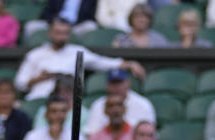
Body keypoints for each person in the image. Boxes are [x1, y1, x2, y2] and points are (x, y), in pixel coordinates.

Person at [16, 18, 144, 101]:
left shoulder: (77, 52)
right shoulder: (35, 54)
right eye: (58, 32)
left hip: (68, 102)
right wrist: (39, 78)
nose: (61, 37)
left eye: (65, 33)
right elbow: (20, 83)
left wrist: (130, 64)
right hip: (39, 99)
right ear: (50, 33)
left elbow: (102, 62)